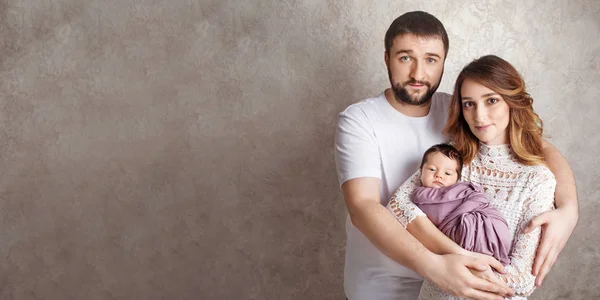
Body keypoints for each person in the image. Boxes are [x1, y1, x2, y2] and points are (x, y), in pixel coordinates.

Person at [334, 11, 578, 300]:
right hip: (384, 287)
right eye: (405, 57)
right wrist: (438, 265)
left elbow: (535, 146)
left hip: (451, 287)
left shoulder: (460, 113)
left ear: (443, 63)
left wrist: (569, 208)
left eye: (431, 60)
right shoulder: (360, 119)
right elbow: (363, 207)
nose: (418, 74)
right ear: (387, 58)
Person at [387, 54, 558, 299]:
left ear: (512, 102)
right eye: (469, 103)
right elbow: (398, 205)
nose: (479, 115)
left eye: (491, 101)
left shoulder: (537, 178)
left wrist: (454, 268)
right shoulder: (453, 159)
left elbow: (523, 277)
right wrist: (457, 255)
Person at [411, 143, 511, 266]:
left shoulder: (460, 191)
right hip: (462, 230)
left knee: (476, 223)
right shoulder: (418, 197)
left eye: (447, 173)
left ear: (457, 179)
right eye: (432, 169)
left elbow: (478, 200)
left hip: (490, 220)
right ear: (421, 171)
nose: (439, 175)